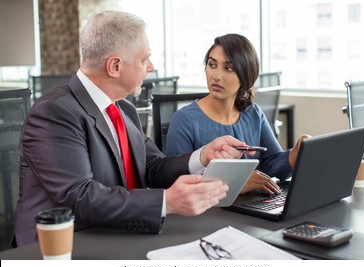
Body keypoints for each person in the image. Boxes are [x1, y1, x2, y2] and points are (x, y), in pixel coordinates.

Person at [12, 11, 254, 247]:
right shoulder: (53, 112)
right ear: (115, 66)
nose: (151, 67)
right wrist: (166, 202)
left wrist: (203, 155)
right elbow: (80, 197)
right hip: (63, 248)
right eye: (143, 59)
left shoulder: (123, 110)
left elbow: (152, 167)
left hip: (120, 233)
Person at [166, 33, 309, 195]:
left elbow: (272, 164)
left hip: (253, 207)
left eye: (228, 68)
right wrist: (234, 183)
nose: (216, 76)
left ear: (245, 76)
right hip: (211, 213)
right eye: (212, 65)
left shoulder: (253, 113)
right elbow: (178, 183)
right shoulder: (184, 120)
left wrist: (296, 154)